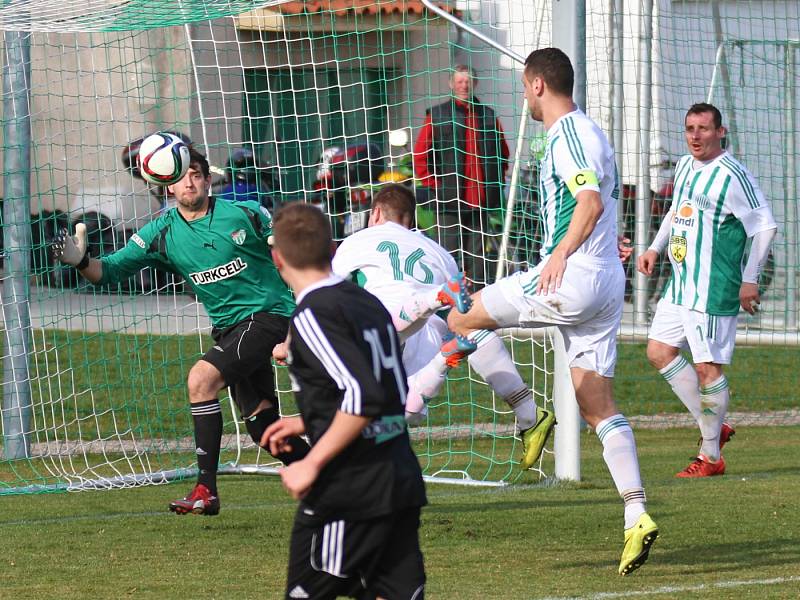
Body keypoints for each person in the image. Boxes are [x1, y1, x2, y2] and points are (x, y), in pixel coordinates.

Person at [448, 48, 658, 576]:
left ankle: (526, 415)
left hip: (573, 276)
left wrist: (562, 254)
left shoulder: (567, 134)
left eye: (524, 87)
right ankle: (636, 513)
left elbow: (587, 202)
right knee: (596, 405)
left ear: (538, 85)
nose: (524, 96)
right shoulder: (589, 131)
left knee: (459, 317)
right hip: (603, 280)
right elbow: (599, 204)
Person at [51, 146, 309, 515]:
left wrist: (287, 250)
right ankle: (332, 480)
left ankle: (206, 489)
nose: (189, 181)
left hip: (268, 317)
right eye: (181, 175)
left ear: (206, 179)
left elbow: (293, 248)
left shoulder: (245, 213)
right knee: (264, 430)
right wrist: (80, 261)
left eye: (197, 173)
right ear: (167, 185)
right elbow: (109, 270)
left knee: (201, 379)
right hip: (229, 330)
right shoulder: (160, 231)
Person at [262, 202, 427, 600]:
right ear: (333, 249)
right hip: (399, 477)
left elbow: (362, 393)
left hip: (350, 489)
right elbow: (389, 387)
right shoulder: (365, 302)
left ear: (277, 258)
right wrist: (307, 421)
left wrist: (311, 463)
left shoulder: (313, 314)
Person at [332, 183, 555, 468]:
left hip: (387, 319)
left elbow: (330, 291)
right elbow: (459, 315)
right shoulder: (438, 251)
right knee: (405, 411)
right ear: (410, 220)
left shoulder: (357, 241)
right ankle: (526, 411)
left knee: (382, 391)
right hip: (430, 331)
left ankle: (433, 305)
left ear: (375, 213)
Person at [637, 102, 777, 478]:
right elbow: (676, 210)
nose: (695, 136)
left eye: (703, 128)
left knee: (707, 368)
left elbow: (765, 226)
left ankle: (711, 456)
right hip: (681, 282)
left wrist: (750, 278)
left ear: (720, 132)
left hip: (713, 286)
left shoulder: (733, 175)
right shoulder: (684, 165)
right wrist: (654, 247)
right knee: (658, 351)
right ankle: (713, 425)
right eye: (689, 129)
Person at [413, 64, 510, 287]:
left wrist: (494, 181)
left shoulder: (488, 116)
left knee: (478, 257)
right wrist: (434, 184)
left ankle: (476, 300)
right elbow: (420, 154)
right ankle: (447, 301)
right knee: (447, 254)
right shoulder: (437, 115)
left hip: (480, 201)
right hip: (449, 199)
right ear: (451, 84)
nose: (464, 85)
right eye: (459, 81)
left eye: (467, 81)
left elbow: (503, 153)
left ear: (474, 84)